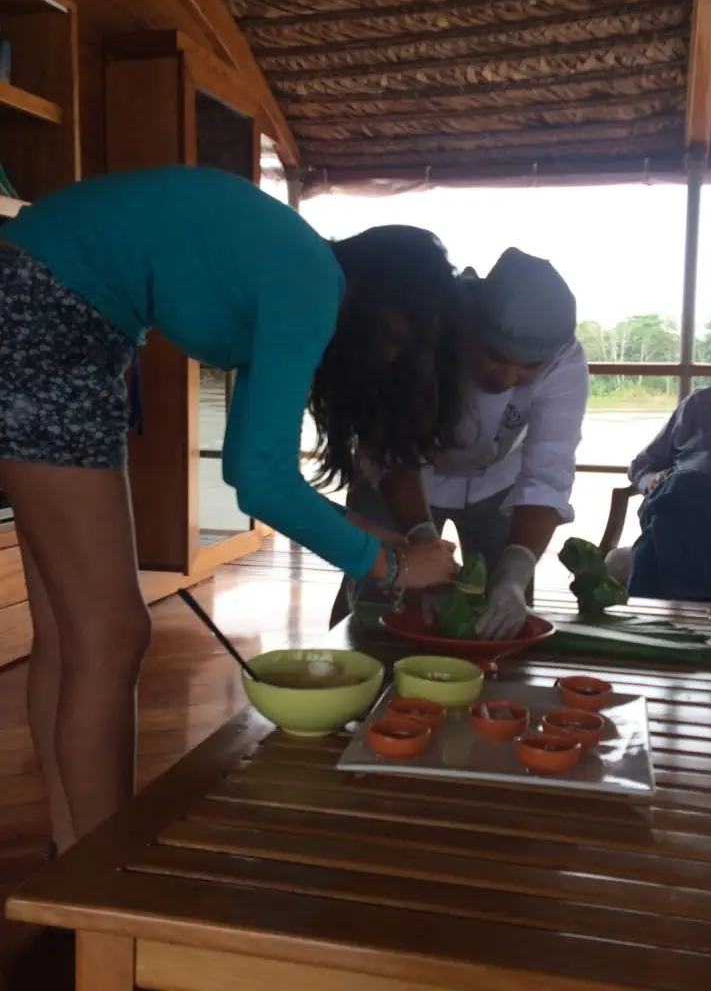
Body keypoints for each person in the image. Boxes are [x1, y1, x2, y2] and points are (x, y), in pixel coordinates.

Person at [0, 165, 463, 854]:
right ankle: (106, 883)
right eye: (402, 343)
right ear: (390, 303)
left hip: (39, 300)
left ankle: (75, 861)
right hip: (51, 315)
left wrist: (386, 544)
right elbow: (265, 484)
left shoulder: (291, 271)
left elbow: (251, 472)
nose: (392, 358)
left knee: (72, 634)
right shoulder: (311, 283)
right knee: (113, 634)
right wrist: (392, 566)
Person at [330, 248, 589, 638]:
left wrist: (517, 571)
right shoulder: (425, 328)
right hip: (400, 479)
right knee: (376, 603)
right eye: (494, 356)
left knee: (501, 612)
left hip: (496, 484)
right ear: (469, 327)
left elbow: (548, 472)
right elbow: (391, 455)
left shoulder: (565, 361)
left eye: (528, 369)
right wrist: (420, 542)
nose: (505, 377)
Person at [614, 318, 711, 605]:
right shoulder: (698, 405)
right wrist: (651, 483)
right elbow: (642, 464)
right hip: (672, 506)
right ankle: (708, 621)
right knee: (682, 489)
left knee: (655, 539)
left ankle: (646, 632)